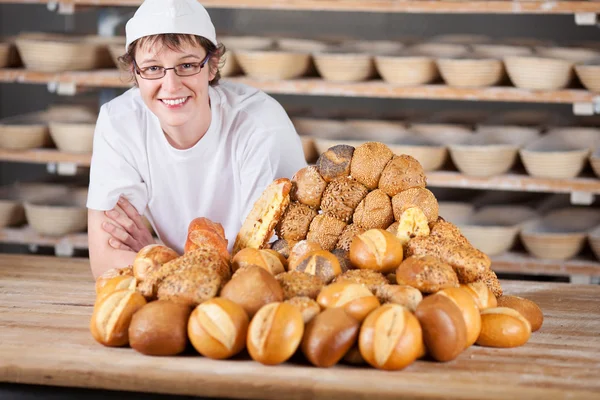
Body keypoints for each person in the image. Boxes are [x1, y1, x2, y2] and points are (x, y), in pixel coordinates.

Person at [87, 0, 307, 279]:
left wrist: (157, 257)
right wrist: (176, 265)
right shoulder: (119, 123)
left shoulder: (261, 127)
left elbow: (269, 269)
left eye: (187, 65)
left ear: (211, 66)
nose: (171, 85)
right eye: (153, 68)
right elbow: (105, 264)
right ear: (135, 73)